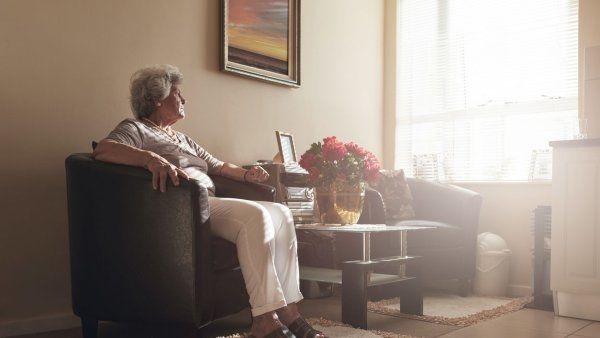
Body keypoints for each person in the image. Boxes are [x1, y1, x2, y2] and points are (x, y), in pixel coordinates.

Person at [93, 65, 325, 338]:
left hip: (207, 204)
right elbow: (104, 149)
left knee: (281, 212)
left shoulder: (182, 138)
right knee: (256, 216)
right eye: (178, 94)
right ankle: (264, 319)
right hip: (181, 209)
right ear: (157, 99)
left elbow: (217, 166)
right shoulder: (136, 129)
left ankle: (289, 310)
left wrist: (246, 174)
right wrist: (150, 158)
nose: (184, 100)